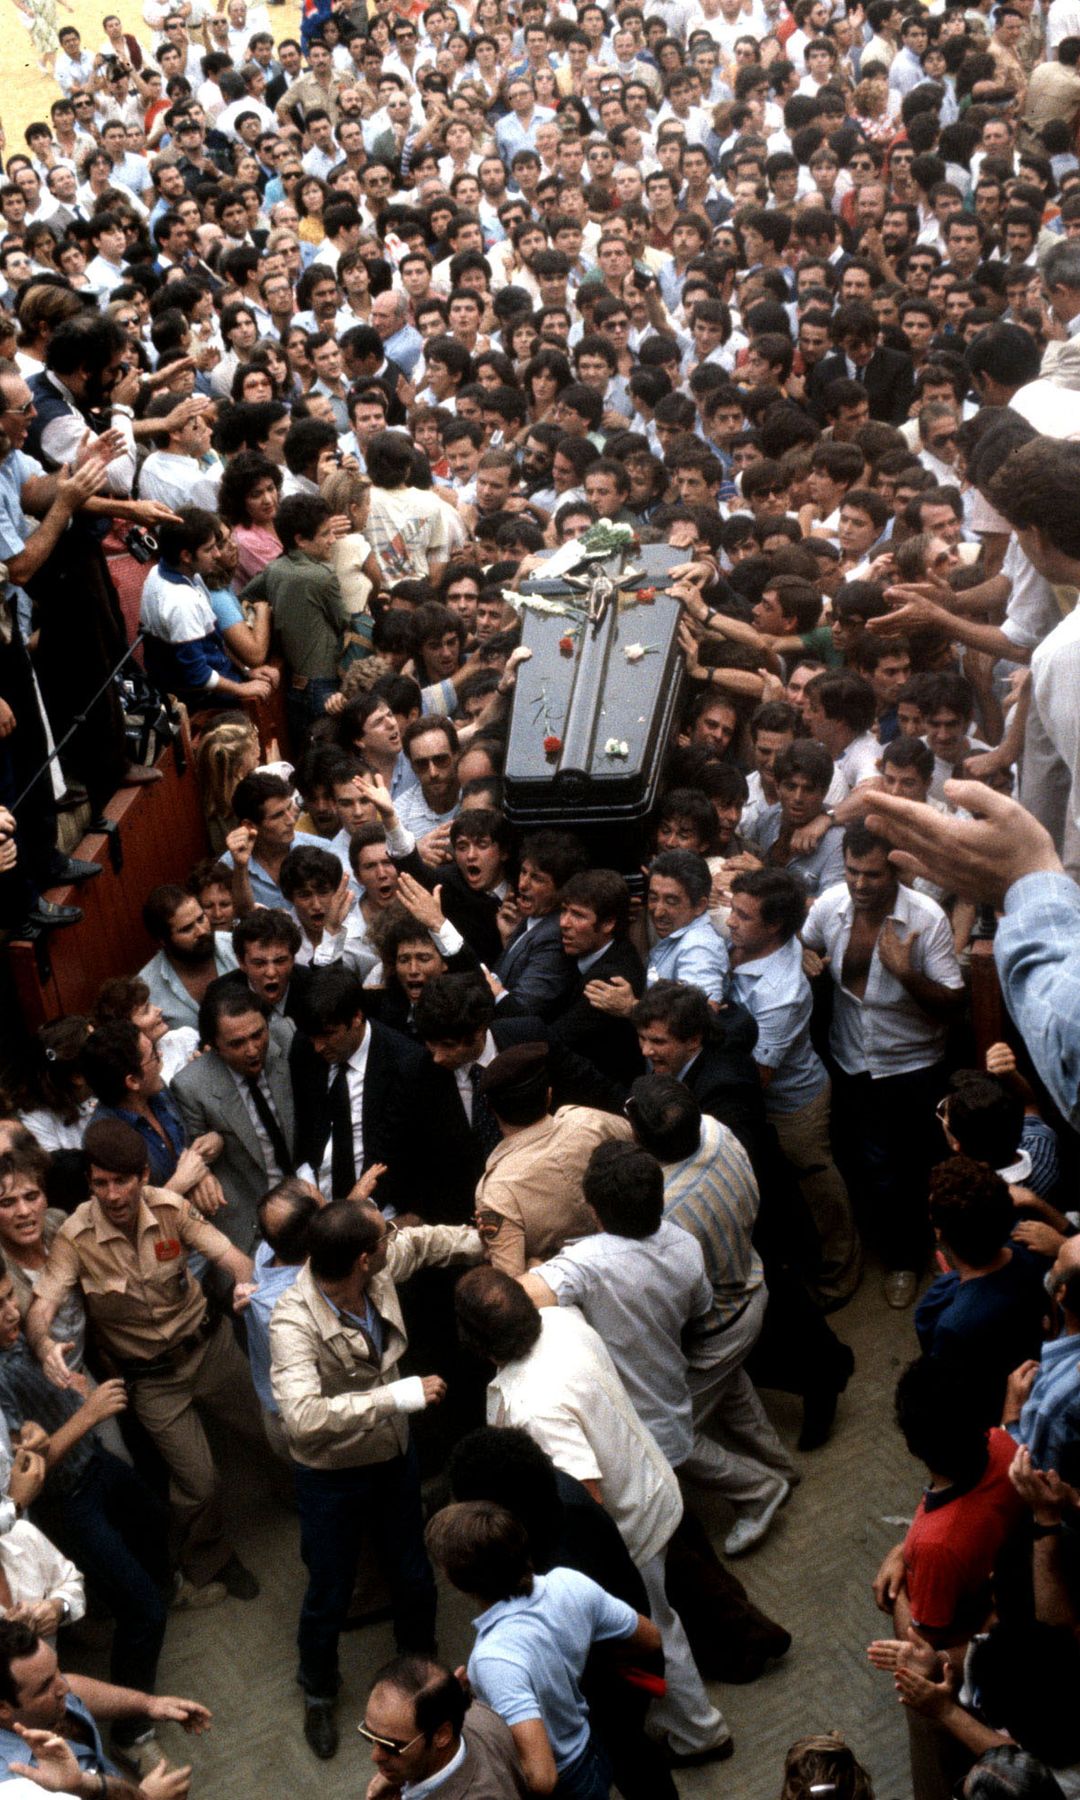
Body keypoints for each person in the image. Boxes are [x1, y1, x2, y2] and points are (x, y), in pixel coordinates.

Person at [268, 1196, 481, 1758]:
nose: (394, 1237)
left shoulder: (377, 1267)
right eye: (382, 1237)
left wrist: (483, 1238)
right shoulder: (293, 1321)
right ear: (364, 1259)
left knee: (413, 1572)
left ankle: (421, 1672)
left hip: (392, 1456)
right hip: (332, 1475)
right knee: (330, 1591)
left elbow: (425, 1242)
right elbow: (303, 1419)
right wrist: (397, 1396)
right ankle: (318, 1690)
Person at [24, 1121, 260, 1605]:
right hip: (154, 1381)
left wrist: (243, 1284)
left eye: (122, 1181)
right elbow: (41, 1309)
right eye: (100, 1183)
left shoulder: (172, 1209)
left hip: (211, 1348)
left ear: (144, 1175)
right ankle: (210, 1558)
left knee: (269, 1430)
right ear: (89, 1184)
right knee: (199, 1482)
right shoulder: (74, 1237)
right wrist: (44, 1343)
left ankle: (302, 1500)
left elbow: (232, 1257)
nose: (112, 1194)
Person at [523, 1140, 793, 1556]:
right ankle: (782, 1467)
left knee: (675, 1449)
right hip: (675, 1349)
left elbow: (525, 1297)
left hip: (646, 1377)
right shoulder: (682, 1241)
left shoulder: (588, 1261)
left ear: (594, 1211)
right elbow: (700, 1306)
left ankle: (760, 1489)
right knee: (732, 1392)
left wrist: (537, 1266)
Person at [802, 824, 965, 1308]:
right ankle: (888, 1250)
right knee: (870, 1164)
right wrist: (808, 955)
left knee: (915, 1168)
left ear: (894, 871)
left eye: (872, 874)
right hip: (851, 1060)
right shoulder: (832, 904)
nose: (860, 884)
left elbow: (954, 1004)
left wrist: (906, 973)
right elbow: (804, 935)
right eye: (852, 871)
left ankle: (906, 1262)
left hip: (911, 1068)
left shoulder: (925, 918)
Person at [728, 868, 858, 1307]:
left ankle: (841, 1271)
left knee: (818, 1190)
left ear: (774, 927)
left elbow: (757, 1075)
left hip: (792, 1105)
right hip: (762, 1097)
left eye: (743, 916)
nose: (729, 922)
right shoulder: (745, 939)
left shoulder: (783, 992)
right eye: (732, 909)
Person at [471, 1042, 632, 1276]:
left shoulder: (496, 1190)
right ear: (548, 1095)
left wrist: (534, 1264)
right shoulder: (590, 1122)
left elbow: (512, 1287)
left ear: (489, 1108)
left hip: (568, 1295)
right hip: (633, 1259)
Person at [0, 1619, 212, 1795]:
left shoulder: (45, 1691)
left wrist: (149, 1704)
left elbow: (74, 1686)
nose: (63, 1686)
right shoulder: (18, 1785)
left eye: (56, 1669)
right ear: (3, 1708)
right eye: (45, 1686)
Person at [172, 980, 296, 1252]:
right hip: (251, 1224)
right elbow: (194, 1153)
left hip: (308, 1195)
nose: (252, 1049)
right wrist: (202, 1172)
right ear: (214, 1046)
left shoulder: (286, 1039)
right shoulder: (192, 1086)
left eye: (257, 1035)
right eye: (237, 1043)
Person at [360, 1654, 531, 1800]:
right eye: (369, 1735)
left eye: (392, 1747)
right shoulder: (475, 1712)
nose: (375, 1756)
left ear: (442, 1735)